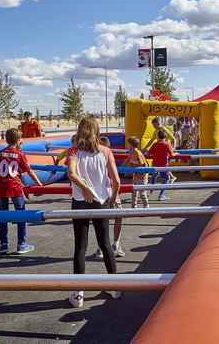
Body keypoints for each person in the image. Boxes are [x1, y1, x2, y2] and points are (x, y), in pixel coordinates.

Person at [66, 117, 121, 307]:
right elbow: (117, 179)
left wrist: (85, 189)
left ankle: (78, 293)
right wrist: (113, 197)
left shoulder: (74, 150)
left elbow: (72, 173)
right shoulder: (106, 151)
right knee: (105, 243)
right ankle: (114, 287)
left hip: (81, 201)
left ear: (80, 130)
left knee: (81, 246)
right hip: (100, 202)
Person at [0, 128, 43, 254]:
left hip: (1, 187)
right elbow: (29, 171)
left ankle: (3, 244)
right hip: (15, 187)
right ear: (18, 141)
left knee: (2, 215)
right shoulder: (20, 154)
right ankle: (21, 244)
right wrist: (39, 185)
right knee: (21, 214)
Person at [95, 136, 125, 259]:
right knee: (118, 216)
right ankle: (115, 244)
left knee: (102, 220)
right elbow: (115, 180)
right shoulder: (108, 156)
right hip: (109, 191)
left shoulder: (92, 157)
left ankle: (100, 247)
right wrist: (115, 195)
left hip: (98, 194)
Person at [145, 129, 180, 201]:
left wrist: (143, 153)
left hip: (155, 164)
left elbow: (148, 153)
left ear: (158, 137)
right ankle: (161, 195)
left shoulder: (155, 144)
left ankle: (152, 188)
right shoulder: (167, 144)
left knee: (154, 175)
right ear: (165, 137)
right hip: (163, 165)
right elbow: (172, 154)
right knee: (167, 179)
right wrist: (177, 153)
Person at [121, 136, 149, 209]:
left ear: (130, 145)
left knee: (142, 193)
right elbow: (125, 162)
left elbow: (145, 165)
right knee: (134, 193)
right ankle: (133, 207)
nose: (127, 146)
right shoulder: (131, 154)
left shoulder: (138, 154)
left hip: (141, 178)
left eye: (128, 144)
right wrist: (119, 169)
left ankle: (146, 207)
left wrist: (142, 175)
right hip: (135, 176)